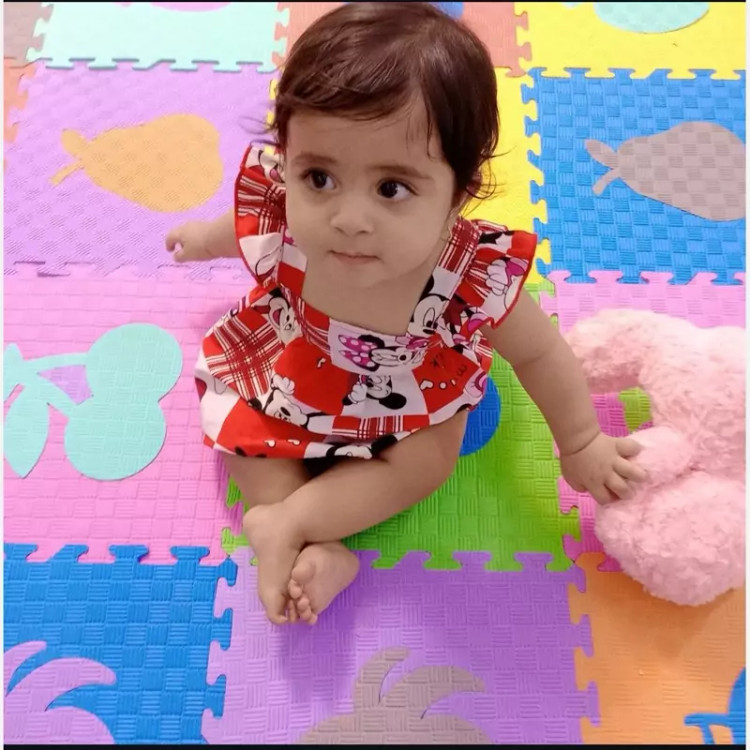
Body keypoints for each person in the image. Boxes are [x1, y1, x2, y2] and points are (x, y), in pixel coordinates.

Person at [166, 2, 647, 626]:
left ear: (457, 194)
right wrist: (200, 240)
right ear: (288, 158)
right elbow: (241, 228)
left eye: (391, 188)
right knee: (239, 424)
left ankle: (290, 520)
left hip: (410, 391)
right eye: (319, 177)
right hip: (291, 360)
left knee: (424, 463)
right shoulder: (285, 213)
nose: (348, 218)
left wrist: (580, 442)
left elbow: (539, 352)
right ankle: (309, 540)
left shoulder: (466, 273)